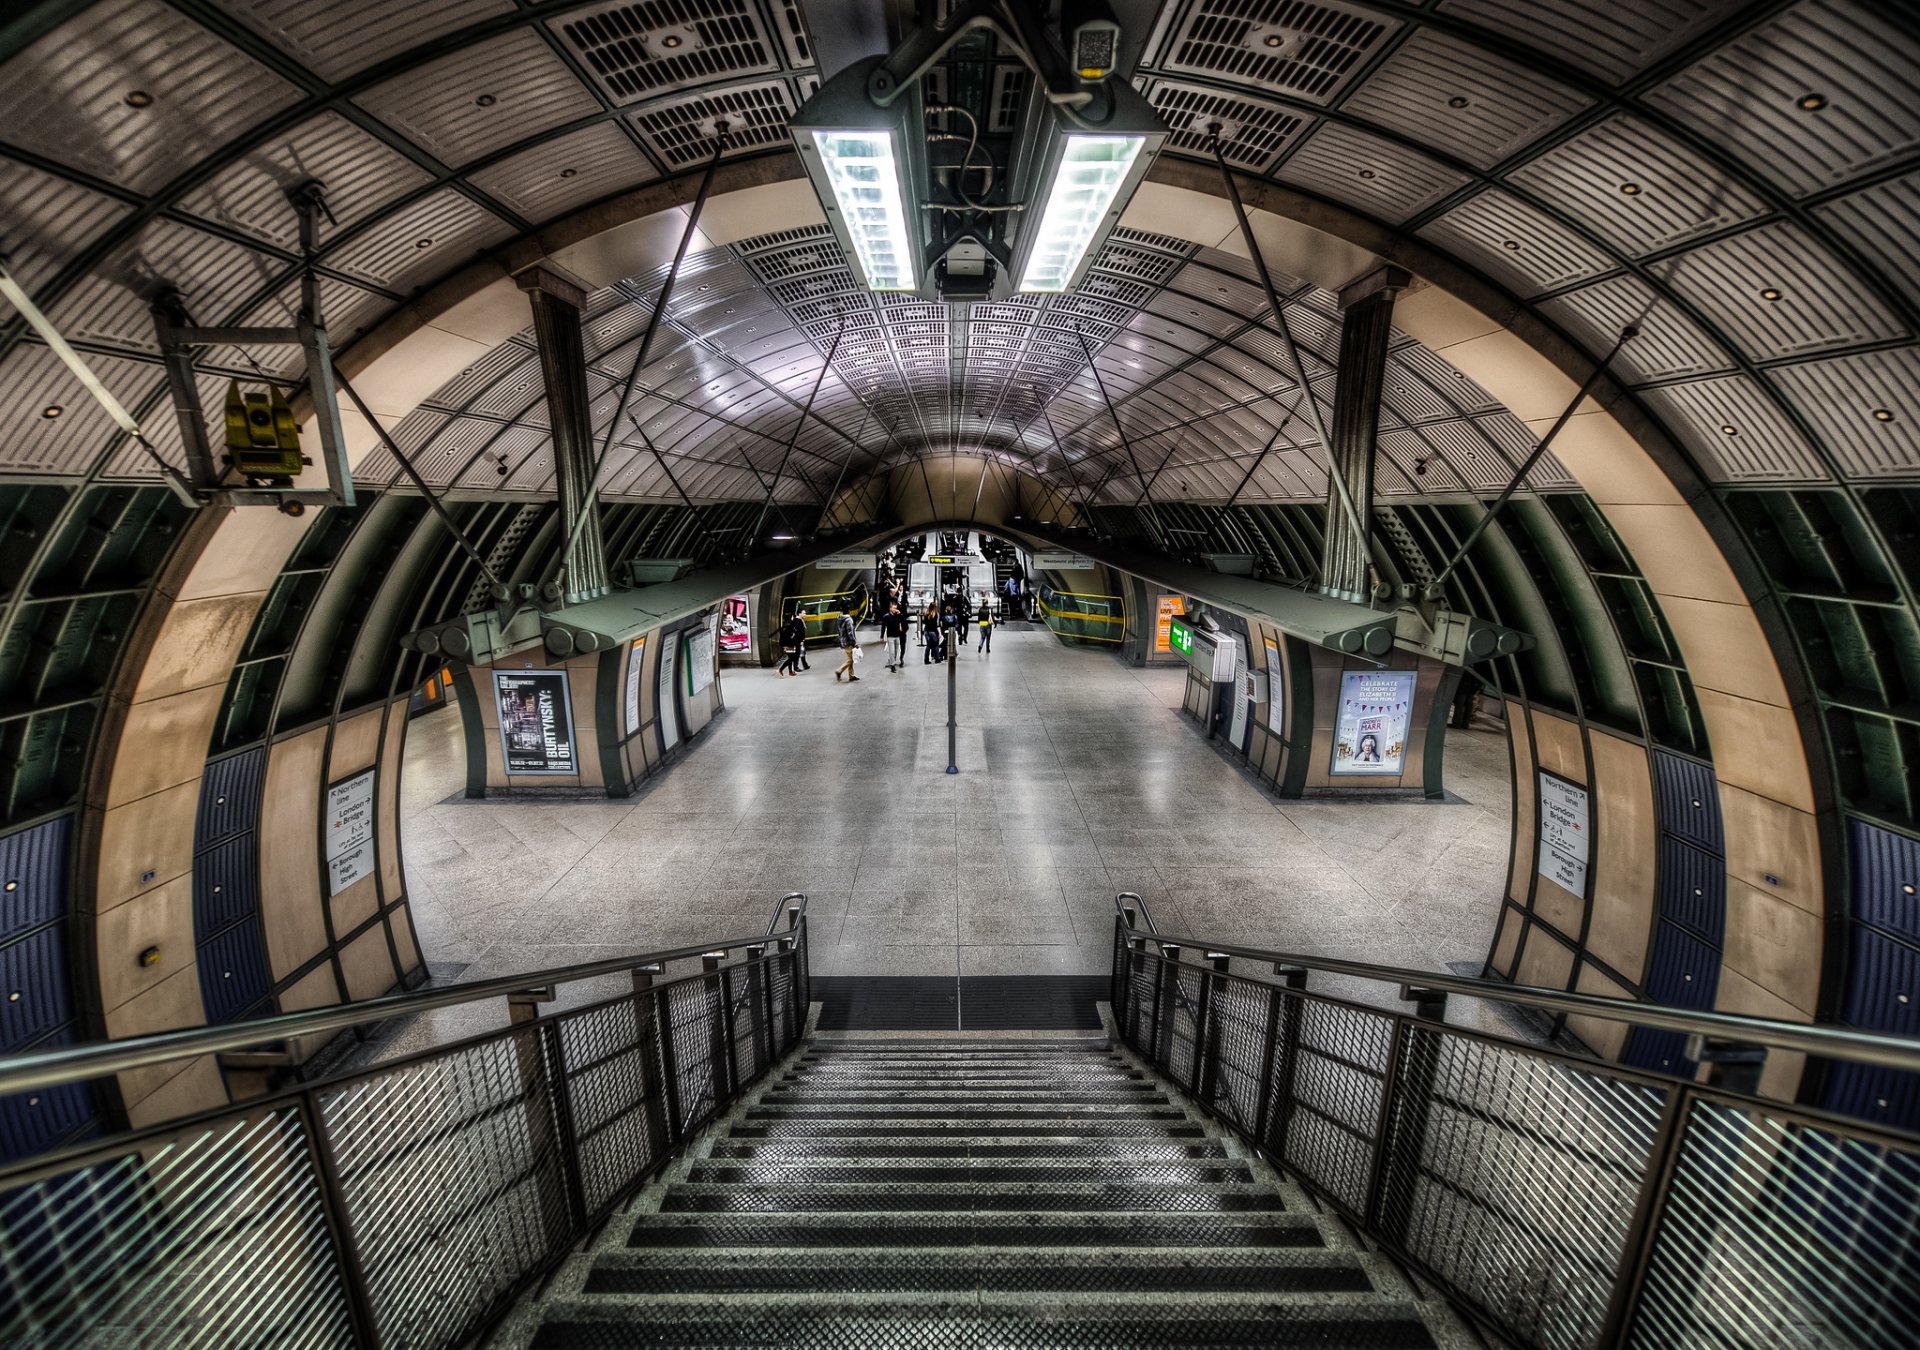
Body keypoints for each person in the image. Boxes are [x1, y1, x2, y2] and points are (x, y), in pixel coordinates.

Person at [776, 608, 805, 677]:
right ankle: (780, 670)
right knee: (792, 657)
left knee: (791, 657)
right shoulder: (794, 623)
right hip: (790, 643)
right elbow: (794, 633)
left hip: (788, 642)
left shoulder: (791, 622)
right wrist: (800, 640)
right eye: (804, 613)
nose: (805, 614)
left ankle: (790, 671)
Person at [833, 609, 860, 682]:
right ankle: (839, 671)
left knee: (850, 658)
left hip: (843, 642)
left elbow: (839, 631)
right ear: (849, 611)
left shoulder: (839, 619)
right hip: (848, 642)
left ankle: (851, 676)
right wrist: (854, 643)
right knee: (851, 659)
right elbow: (850, 633)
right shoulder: (848, 620)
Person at [881, 604, 909, 672]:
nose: (895, 610)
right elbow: (883, 627)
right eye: (893, 608)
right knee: (892, 651)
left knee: (896, 651)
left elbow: (903, 621)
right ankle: (892, 665)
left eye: (896, 608)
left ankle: (892, 661)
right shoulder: (886, 617)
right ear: (890, 609)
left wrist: (900, 614)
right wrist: (882, 636)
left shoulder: (898, 616)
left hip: (897, 636)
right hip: (890, 636)